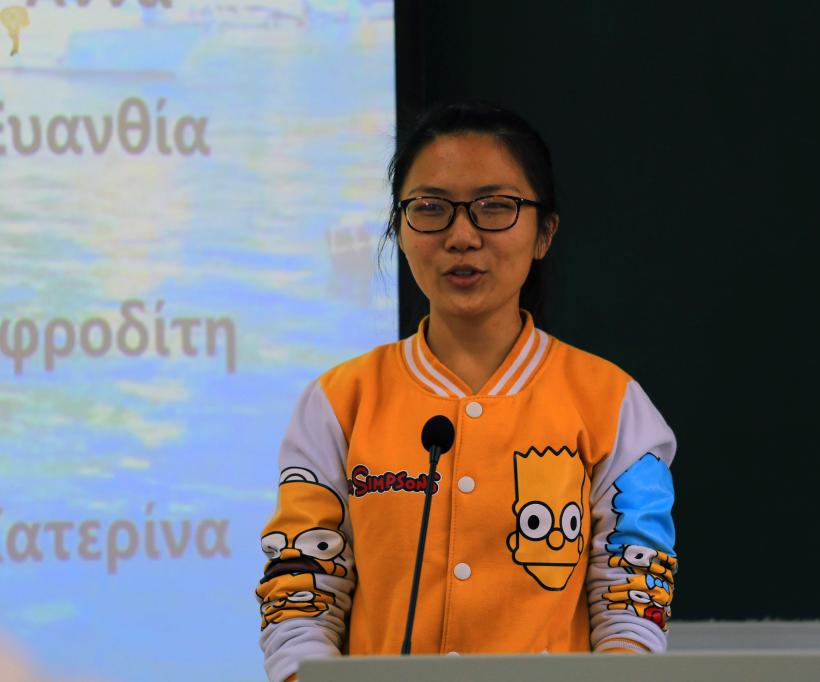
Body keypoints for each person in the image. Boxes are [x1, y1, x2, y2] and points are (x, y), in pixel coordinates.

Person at [256, 101, 678, 682]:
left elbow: (633, 601)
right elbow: (302, 593)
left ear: (544, 232)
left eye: (495, 207)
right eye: (430, 208)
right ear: (398, 230)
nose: (461, 236)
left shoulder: (614, 405)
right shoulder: (338, 402)